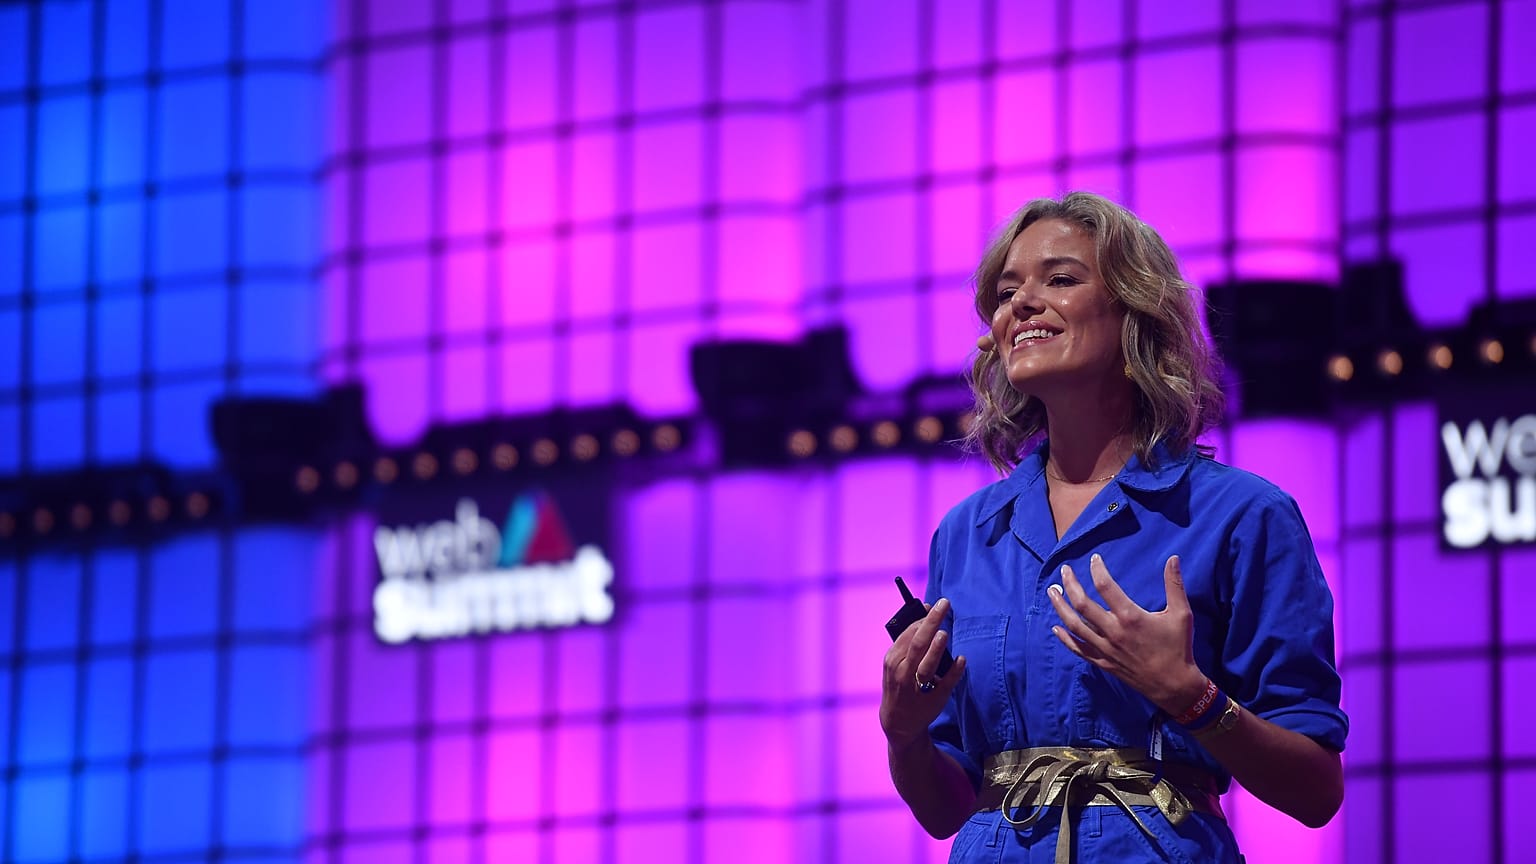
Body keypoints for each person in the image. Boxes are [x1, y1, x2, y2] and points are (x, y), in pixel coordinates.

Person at [879, 192, 1347, 863]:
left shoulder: (1243, 515)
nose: (1022, 304)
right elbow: (945, 809)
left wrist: (1192, 698)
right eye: (1007, 293)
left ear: (1136, 315)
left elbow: (1316, 791)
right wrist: (904, 734)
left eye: (1061, 280)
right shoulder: (967, 532)